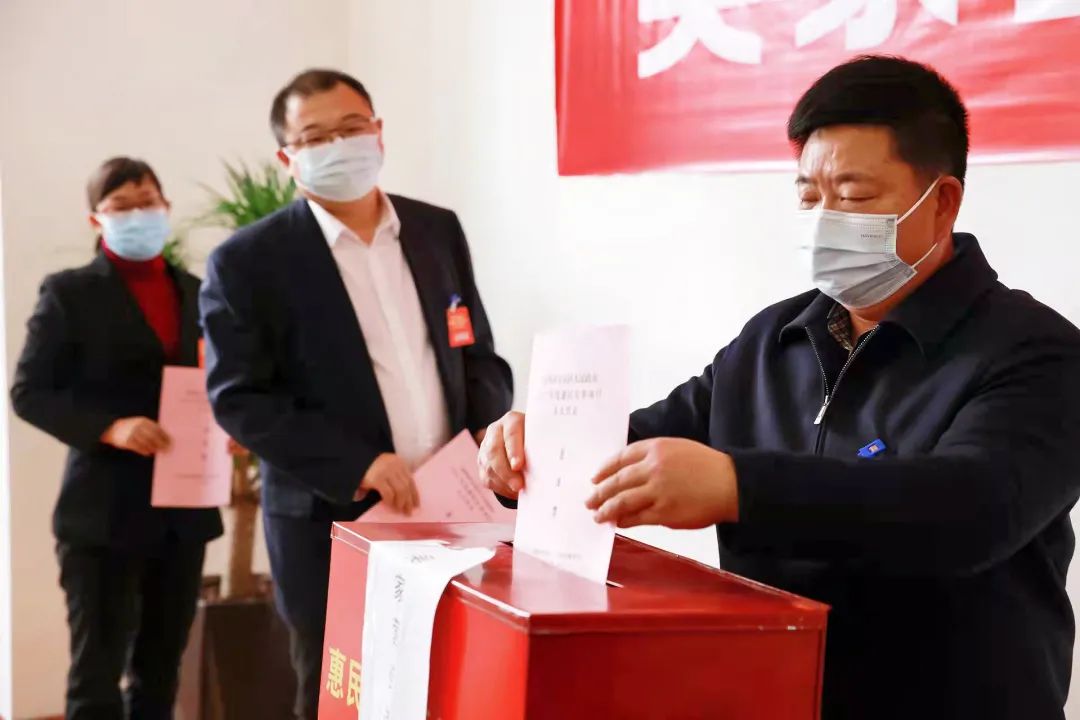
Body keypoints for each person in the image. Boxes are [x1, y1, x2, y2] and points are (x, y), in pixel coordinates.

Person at [480, 55, 1080, 720]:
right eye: (809, 197)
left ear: (941, 203)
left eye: (853, 197)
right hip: (774, 695)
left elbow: (971, 510)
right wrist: (538, 452)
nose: (826, 219)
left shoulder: (1038, 352)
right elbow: (641, 445)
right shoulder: (774, 338)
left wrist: (738, 487)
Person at [199, 68, 514, 720]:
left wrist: (481, 435)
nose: (339, 146)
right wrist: (357, 464)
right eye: (315, 137)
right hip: (331, 522)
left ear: (378, 132)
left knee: (449, 680)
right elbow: (239, 397)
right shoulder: (249, 261)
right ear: (287, 158)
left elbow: (477, 354)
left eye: (351, 128)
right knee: (339, 690)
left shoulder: (435, 230)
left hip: (453, 509)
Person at [9, 157, 224, 720]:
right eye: (120, 206)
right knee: (96, 679)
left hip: (183, 512)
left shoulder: (199, 292)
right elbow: (29, 392)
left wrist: (230, 430)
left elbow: (221, 385)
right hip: (101, 514)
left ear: (166, 208)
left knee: (160, 673)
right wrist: (111, 427)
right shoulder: (70, 293)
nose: (137, 215)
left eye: (147, 202)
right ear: (95, 219)